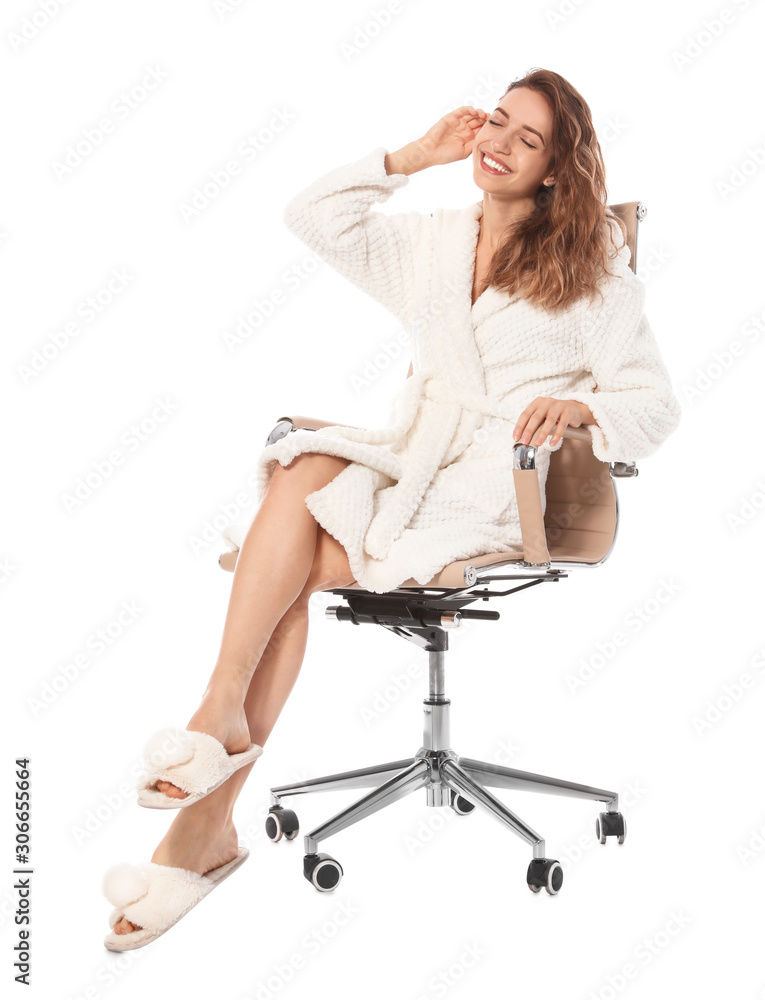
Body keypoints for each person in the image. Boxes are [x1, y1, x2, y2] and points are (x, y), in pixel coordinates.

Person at [102, 68, 681, 948]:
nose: (499, 143)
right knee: (303, 465)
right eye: (496, 120)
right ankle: (213, 757)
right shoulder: (437, 241)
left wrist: (581, 407)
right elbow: (310, 217)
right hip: (418, 459)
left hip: (503, 487)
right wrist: (412, 156)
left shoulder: (590, 261)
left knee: (285, 553)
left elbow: (654, 406)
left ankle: (203, 820)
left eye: (526, 139)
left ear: (556, 169)